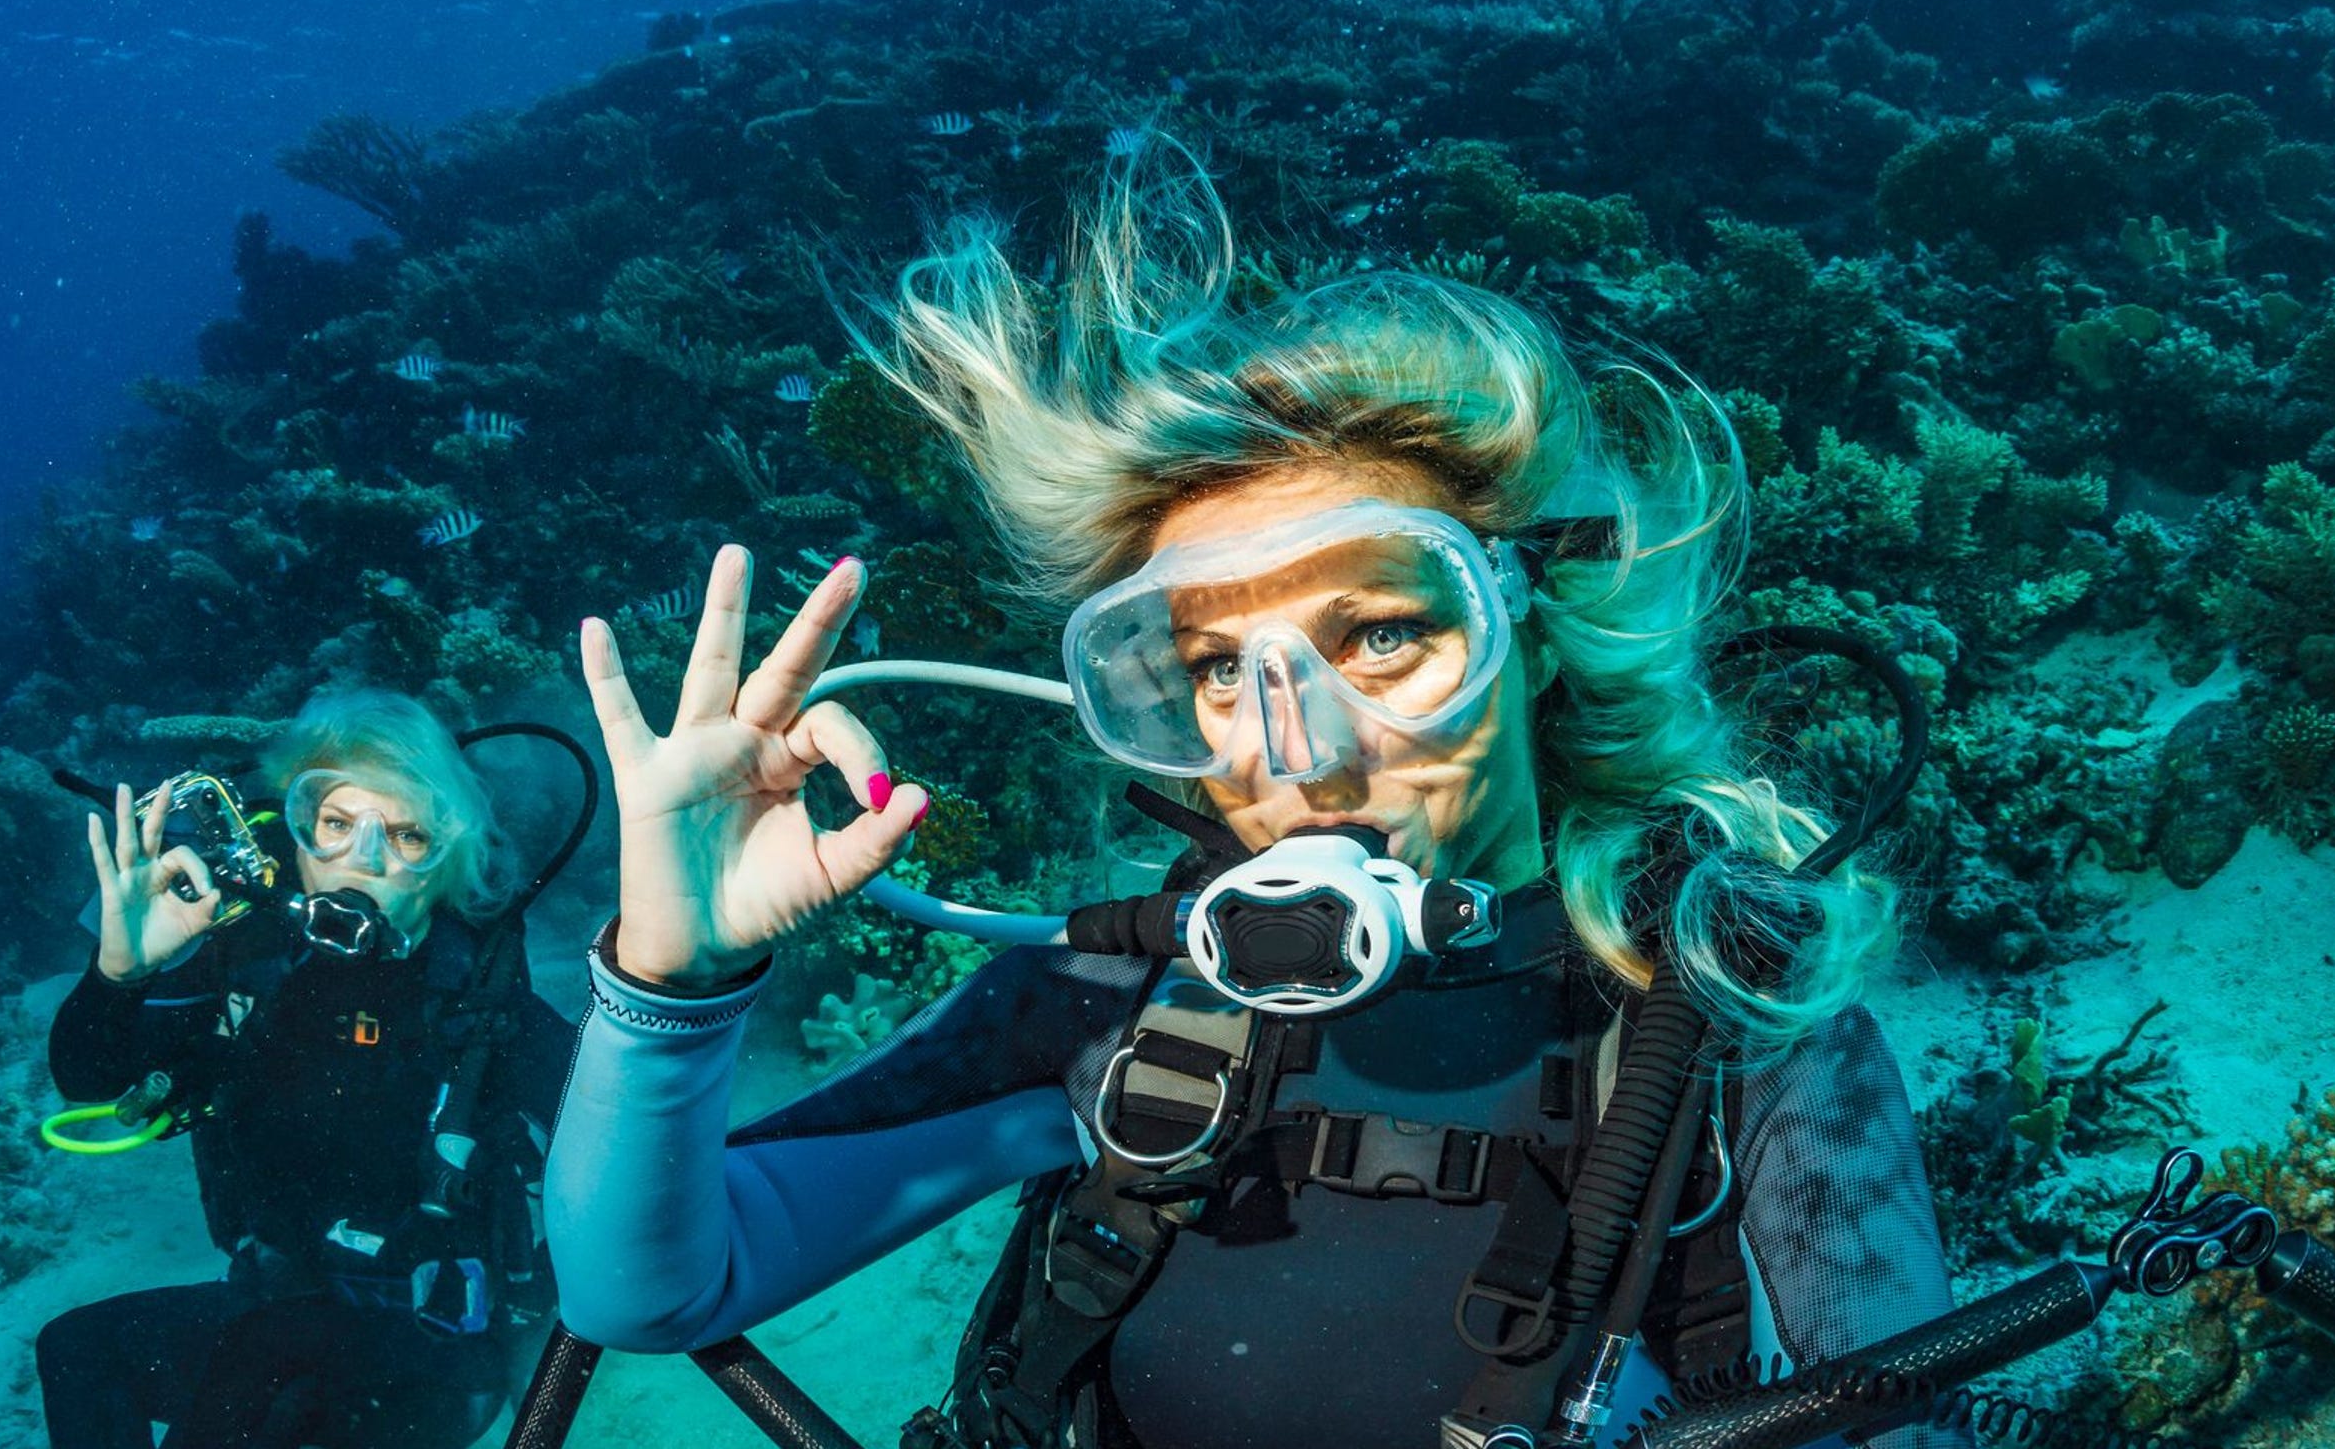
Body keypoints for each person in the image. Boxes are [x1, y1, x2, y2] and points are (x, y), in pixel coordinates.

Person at [543, 161, 1968, 1449]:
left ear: (1531, 625)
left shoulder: (1741, 1021)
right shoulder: (1106, 997)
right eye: (1219, 666)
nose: (1301, 756)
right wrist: (675, 977)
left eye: (1383, 636)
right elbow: (649, 1290)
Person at [38, 689, 574, 1449]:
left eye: (407, 834)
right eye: (334, 824)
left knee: (268, 1363)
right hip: (268, 1305)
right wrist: (117, 976)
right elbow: (87, 1082)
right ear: (294, 834)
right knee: (79, 1349)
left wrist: (531, 1314)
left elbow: (638, 1165)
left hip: (433, 1352)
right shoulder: (250, 964)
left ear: (449, 857)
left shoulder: (480, 1009)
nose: (364, 858)